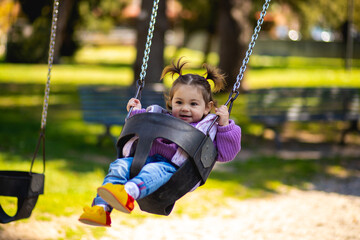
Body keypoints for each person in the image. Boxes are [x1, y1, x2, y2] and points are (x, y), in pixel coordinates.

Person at [79, 58, 241, 227]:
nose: (185, 108)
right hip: (141, 159)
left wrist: (224, 126)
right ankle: (100, 209)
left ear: (207, 107)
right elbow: (142, 127)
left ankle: (127, 193)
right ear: (171, 102)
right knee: (118, 166)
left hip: (173, 169)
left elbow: (226, 154)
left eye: (193, 104)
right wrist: (135, 112)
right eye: (179, 102)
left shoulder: (208, 129)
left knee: (152, 170)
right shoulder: (161, 116)